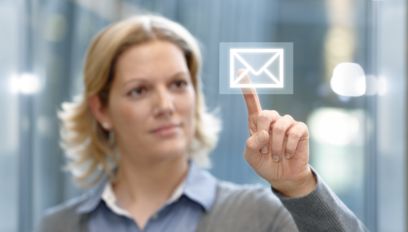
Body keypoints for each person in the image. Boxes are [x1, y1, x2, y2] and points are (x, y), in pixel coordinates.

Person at [37, 15, 367, 232]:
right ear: (102, 110)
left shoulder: (260, 215)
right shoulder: (60, 225)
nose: (166, 105)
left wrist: (299, 186)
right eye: (139, 90)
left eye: (178, 84)